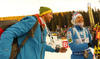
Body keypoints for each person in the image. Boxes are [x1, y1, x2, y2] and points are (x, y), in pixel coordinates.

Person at [0, 6, 67, 59]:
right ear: (44, 14)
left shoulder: (43, 28)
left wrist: (57, 50)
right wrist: (4, 55)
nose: (52, 16)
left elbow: (41, 46)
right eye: (50, 14)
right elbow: (8, 34)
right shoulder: (32, 21)